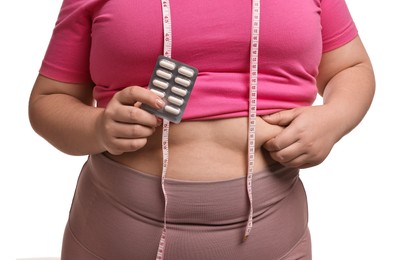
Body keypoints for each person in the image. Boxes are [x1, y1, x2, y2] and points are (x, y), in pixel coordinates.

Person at [28, 0, 375, 259]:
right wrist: (98, 127)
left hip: (273, 232)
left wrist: (334, 118)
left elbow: (351, 66)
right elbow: (48, 100)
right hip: (117, 234)